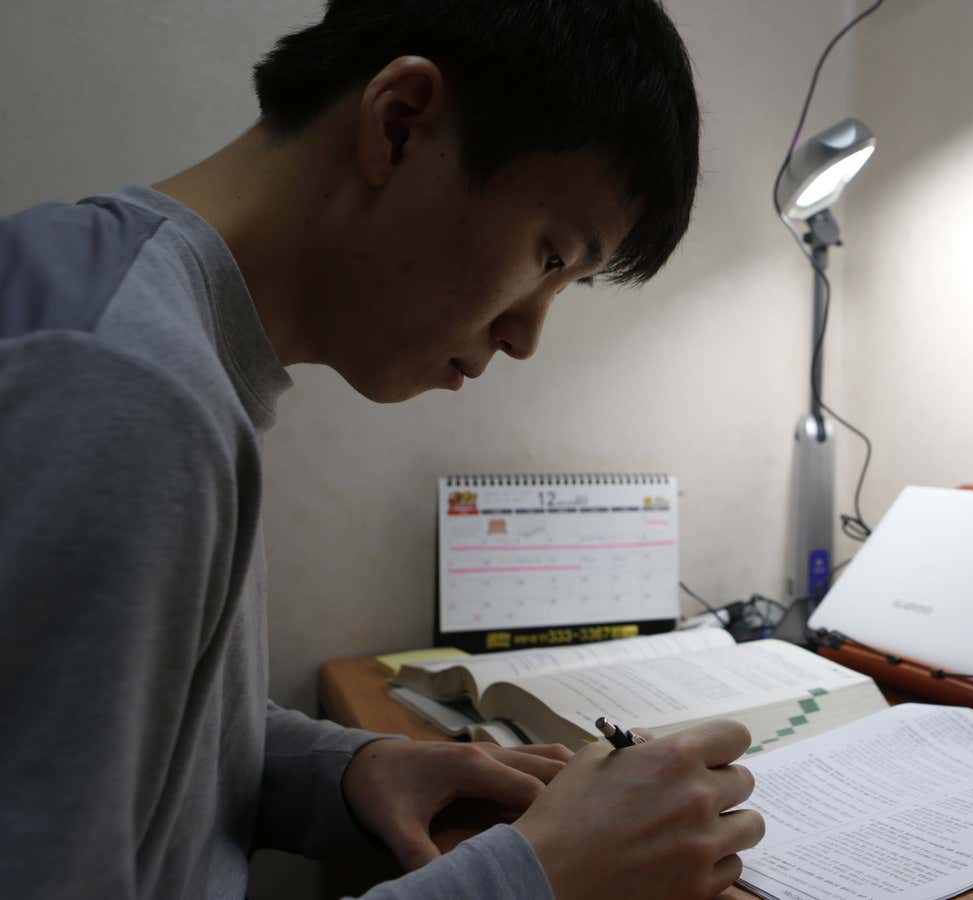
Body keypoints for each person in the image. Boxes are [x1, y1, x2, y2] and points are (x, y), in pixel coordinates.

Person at [0, 1, 764, 898]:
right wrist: (541, 879)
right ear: (400, 125)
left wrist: (345, 767)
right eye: (550, 256)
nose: (527, 336)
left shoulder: (136, 329)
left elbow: (122, 753)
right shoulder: (118, 390)